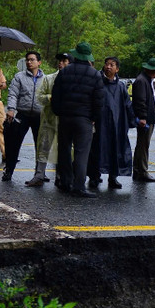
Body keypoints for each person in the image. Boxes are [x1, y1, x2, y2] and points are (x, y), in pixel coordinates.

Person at [51, 42, 103, 197]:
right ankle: (79, 186)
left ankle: (65, 181)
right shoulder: (95, 75)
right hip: (84, 119)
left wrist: (59, 112)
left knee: (64, 151)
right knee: (81, 153)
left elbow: (56, 95)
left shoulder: (65, 72)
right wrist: (94, 118)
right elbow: (99, 101)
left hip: (65, 117)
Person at [88, 56, 134, 189]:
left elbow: (127, 104)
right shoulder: (97, 82)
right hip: (100, 123)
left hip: (117, 124)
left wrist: (132, 120)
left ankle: (113, 178)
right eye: (106, 64)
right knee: (97, 149)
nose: (108, 67)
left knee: (116, 150)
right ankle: (94, 177)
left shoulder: (121, 86)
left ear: (117, 69)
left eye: (112, 65)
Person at [24, 52, 69, 187]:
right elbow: (39, 97)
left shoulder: (73, 79)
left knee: (63, 149)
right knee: (43, 147)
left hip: (65, 121)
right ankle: (39, 175)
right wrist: (52, 97)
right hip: (48, 120)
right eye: (60, 60)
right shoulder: (49, 79)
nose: (60, 63)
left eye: (64, 61)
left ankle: (61, 176)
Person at [2, 50, 44, 183]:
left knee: (40, 146)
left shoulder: (46, 79)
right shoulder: (19, 77)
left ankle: (40, 174)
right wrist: (11, 109)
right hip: (22, 114)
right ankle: (9, 170)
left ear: (39, 62)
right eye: (27, 60)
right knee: (13, 144)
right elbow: (13, 94)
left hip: (39, 116)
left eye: (32, 60)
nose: (29, 62)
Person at [130, 57, 155, 182]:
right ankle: (142, 170)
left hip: (150, 117)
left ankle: (139, 170)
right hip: (146, 118)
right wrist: (143, 117)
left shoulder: (148, 80)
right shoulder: (141, 81)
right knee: (143, 145)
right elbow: (140, 101)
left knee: (143, 145)